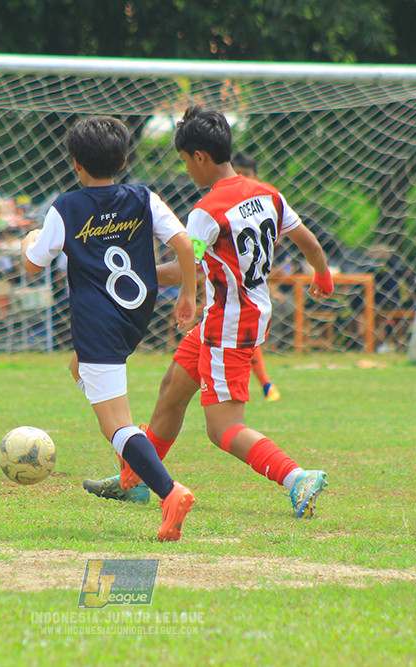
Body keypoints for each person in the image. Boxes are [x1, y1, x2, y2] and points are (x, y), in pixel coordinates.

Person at [84, 106, 333, 518]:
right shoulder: (267, 194)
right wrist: (322, 275)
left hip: (230, 322)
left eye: (184, 162)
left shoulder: (207, 211)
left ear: (199, 156)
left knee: (222, 428)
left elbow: (190, 268)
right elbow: (307, 241)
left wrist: (128, 277)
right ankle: (137, 479)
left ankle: (297, 476)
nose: (187, 171)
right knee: (172, 390)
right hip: (238, 312)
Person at [21, 115, 199, 541]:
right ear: (123, 159)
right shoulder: (144, 198)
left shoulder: (67, 207)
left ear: (76, 163)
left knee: (115, 425)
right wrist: (189, 294)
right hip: (134, 315)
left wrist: (29, 239)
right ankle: (133, 462)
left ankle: (168, 490)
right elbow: (185, 245)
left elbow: (31, 267)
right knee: (77, 367)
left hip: (99, 322)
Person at [230, 152, 280, 401]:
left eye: (246, 175)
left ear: (255, 177)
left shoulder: (267, 203)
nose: (240, 179)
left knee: (249, 338)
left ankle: (264, 384)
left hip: (253, 287)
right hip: (226, 287)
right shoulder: (221, 206)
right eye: (236, 173)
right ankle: (265, 384)